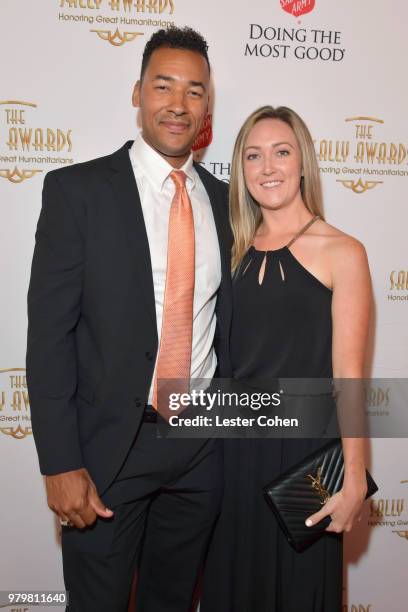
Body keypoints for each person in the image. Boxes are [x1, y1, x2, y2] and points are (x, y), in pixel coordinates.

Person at [26, 26, 232, 612]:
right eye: (163, 86)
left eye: (195, 91)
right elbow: (49, 339)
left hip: (200, 449)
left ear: (207, 106)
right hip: (108, 453)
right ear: (138, 93)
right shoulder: (77, 191)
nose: (178, 104)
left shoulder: (226, 202)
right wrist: (61, 463)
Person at [201, 106, 371, 611]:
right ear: (240, 169)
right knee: (231, 589)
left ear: (303, 163)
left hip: (305, 462)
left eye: (281, 152)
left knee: (299, 592)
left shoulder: (343, 251)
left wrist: (356, 475)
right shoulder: (227, 249)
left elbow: (350, 376)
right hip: (228, 459)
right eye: (253, 155)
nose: (267, 166)